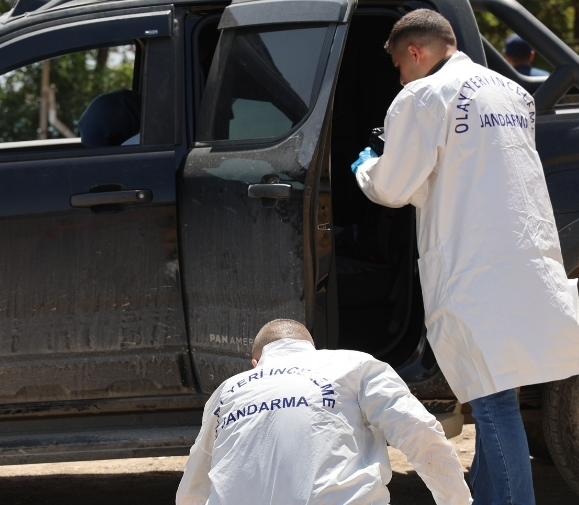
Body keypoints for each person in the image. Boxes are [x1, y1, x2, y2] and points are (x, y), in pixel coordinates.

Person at [351, 9, 579, 504]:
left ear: (414, 52)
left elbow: (394, 186)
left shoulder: (422, 96)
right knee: (505, 393)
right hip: (527, 262)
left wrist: (367, 168)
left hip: (474, 271)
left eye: (397, 66)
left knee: (492, 402)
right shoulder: (513, 92)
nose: (399, 76)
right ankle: (485, 495)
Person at [176, 319, 472, 505]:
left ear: (256, 364)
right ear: (312, 350)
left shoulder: (228, 390)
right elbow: (419, 431)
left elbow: (193, 489)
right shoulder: (355, 365)